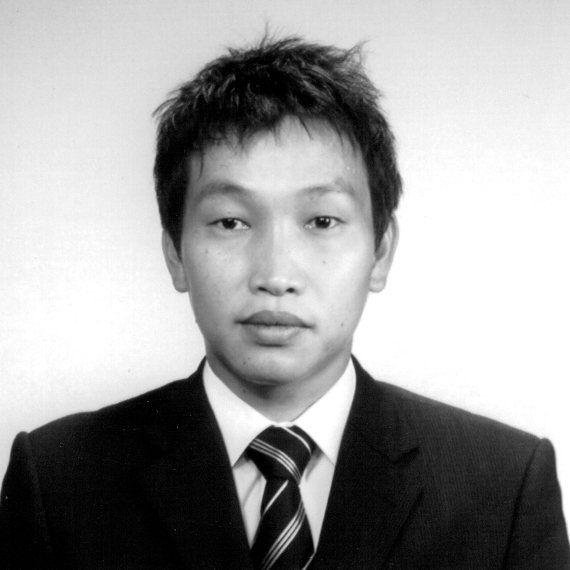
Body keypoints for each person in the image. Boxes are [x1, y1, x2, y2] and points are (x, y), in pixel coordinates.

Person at [0, 35, 568, 569]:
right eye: (231, 222)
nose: (275, 275)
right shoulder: (59, 478)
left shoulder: (504, 485)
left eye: (321, 221)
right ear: (175, 253)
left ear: (380, 252)